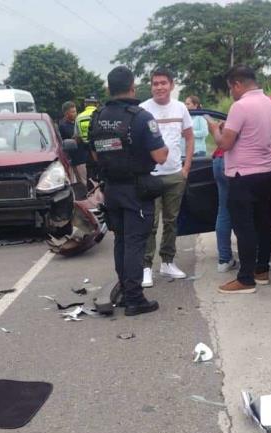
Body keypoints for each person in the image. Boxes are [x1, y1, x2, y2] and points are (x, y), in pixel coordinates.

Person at [88, 66, 168, 316]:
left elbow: (94, 154)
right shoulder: (141, 117)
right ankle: (135, 299)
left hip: (112, 188)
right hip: (136, 189)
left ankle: (125, 291)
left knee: (121, 241)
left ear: (109, 88)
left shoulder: (97, 116)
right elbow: (160, 156)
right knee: (135, 243)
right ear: (133, 87)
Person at [207, 65, 271, 294]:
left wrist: (214, 130)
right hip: (265, 172)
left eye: (230, 89)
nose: (231, 94)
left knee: (244, 228)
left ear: (237, 84)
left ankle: (245, 280)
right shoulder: (268, 103)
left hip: (242, 175)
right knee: (263, 223)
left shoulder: (240, 106)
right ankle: (261, 270)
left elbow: (225, 144)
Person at [139, 68, 195, 287]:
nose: (159, 87)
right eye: (155, 83)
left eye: (163, 83)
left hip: (174, 174)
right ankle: (145, 267)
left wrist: (186, 168)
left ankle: (167, 262)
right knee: (150, 224)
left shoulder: (181, 108)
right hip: (150, 176)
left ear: (172, 85)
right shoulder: (142, 109)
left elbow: (189, 139)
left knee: (171, 222)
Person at [59, 100, 88, 194]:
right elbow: (65, 141)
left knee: (84, 181)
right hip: (74, 158)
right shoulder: (63, 126)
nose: (75, 113)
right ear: (66, 113)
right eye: (73, 112)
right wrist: (75, 139)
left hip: (83, 156)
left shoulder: (78, 121)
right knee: (78, 183)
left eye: (75, 111)